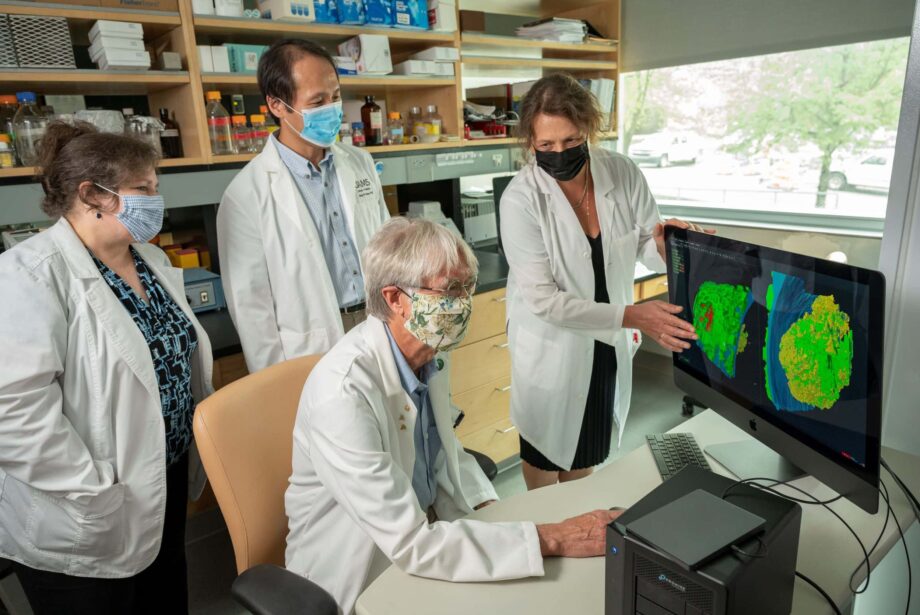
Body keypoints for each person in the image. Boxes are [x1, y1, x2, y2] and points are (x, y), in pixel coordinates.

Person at [285, 217, 622, 614]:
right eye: (449, 290)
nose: (463, 304)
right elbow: (411, 544)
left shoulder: (428, 355)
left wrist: (491, 512)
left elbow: (441, 452)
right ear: (395, 299)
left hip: (423, 538)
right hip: (361, 572)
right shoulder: (342, 394)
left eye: (468, 288)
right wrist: (554, 538)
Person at [0, 122, 214, 614]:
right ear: (92, 194)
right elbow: (14, 416)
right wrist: (94, 488)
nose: (155, 201)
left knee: (164, 601)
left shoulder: (152, 261)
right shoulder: (30, 275)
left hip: (162, 481)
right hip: (83, 506)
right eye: (143, 190)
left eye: (155, 188)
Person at [500, 74, 707, 491]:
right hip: (551, 347)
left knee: (587, 453)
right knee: (543, 457)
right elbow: (543, 301)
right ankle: (545, 534)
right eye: (546, 146)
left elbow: (646, 243)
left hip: (606, 346)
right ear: (530, 143)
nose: (559, 153)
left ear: (589, 130)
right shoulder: (521, 199)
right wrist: (633, 316)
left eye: (571, 141)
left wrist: (669, 247)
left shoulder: (621, 173)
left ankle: (577, 524)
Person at [218, 38, 390, 374]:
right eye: (318, 101)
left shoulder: (360, 162)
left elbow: (387, 247)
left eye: (336, 96)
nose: (332, 109)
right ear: (277, 105)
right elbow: (252, 311)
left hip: (378, 324)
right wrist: (275, 383)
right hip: (312, 346)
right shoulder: (245, 195)